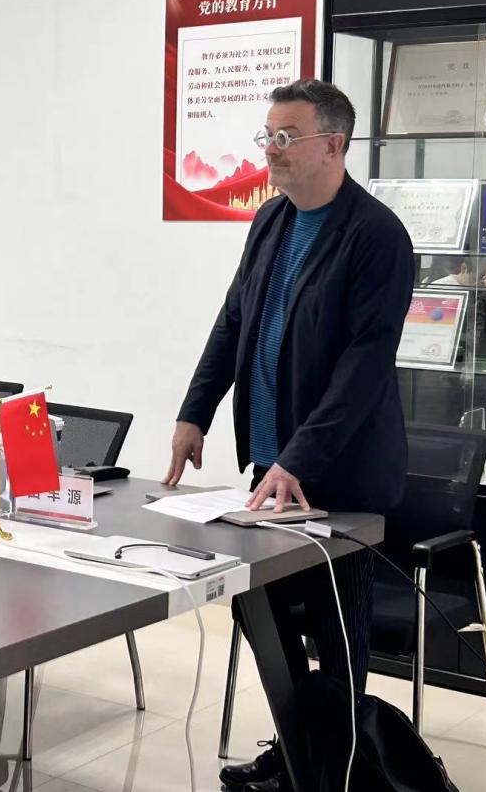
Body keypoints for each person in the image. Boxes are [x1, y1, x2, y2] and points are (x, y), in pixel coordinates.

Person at [165, 80, 414, 792]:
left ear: (333, 145)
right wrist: (194, 412)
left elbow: (364, 364)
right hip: (271, 471)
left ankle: (338, 769)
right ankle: (301, 749)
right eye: (267, 136)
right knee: (264, 615)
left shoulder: (375, 235)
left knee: (338, 636)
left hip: (340, 476)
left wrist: (300, 458)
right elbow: (233, 320)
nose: (270, 150)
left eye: (286, 137)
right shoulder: (270, 219)